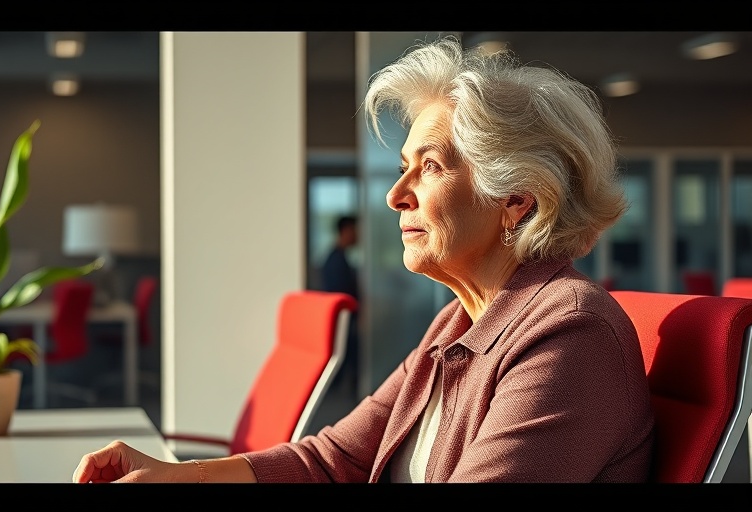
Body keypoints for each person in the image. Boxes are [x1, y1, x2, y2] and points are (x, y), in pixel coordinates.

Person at [72, 36, 655, 483]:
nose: (395, 195)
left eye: (428, 167)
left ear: (518, 199)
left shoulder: (571, 335)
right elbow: (335, 459)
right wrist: (176, 476)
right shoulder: (461, 322)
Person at [321, 214, 360, 392]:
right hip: (342, 322)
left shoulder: (340, 258)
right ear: (345, 231)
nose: (358, 235)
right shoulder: (335, 261)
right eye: (355, 230)